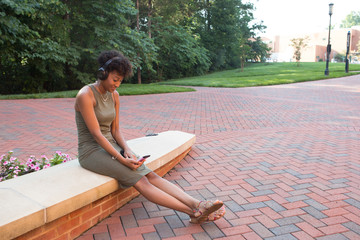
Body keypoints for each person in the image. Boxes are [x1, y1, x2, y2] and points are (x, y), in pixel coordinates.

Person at [74, 50, 225, 223]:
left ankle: (197, 204)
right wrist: (121, 159)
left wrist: (127, 150)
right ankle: (193, 213)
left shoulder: (114, 95)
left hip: (112, 147)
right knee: (141, 181)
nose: (117, 84)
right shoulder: (85, 95)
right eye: (115, 79)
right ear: (103, 73)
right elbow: (97, 134)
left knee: (151, 175)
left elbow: (115, 130)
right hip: (91, 151)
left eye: (121, 81)